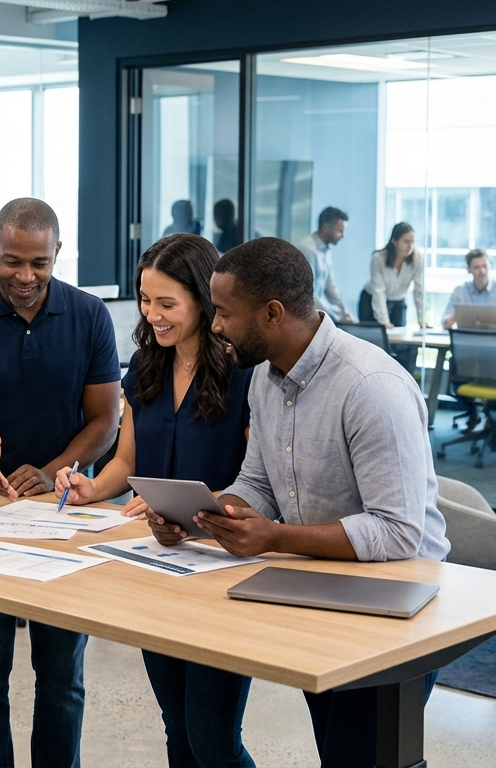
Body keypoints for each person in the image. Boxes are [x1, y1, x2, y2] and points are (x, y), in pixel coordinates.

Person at [169, 236, 449, 767]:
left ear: (272, 313)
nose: (216, 327)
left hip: (395, 605)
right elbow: (261, 484)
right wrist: (203, 516)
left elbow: (397, 532)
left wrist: (273, 537)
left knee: (360, 757)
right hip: (321, 589)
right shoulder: (264, 380)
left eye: (225, 313)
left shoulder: (371, 386)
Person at [0, 197, 120, 767]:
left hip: (64, 511)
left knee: (62, 680)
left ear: (58, 254)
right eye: (12, 261)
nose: (25, 276)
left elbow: (105, 419)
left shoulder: (89, 316)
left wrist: (56, 467)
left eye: (39, 262)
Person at [53, 233, 255, 767]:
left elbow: (263, 480)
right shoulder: (147, 363)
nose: (152, 314)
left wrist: (204, 516)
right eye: (146, 300)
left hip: (223, 566)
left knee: (213, 739)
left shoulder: (245, 375)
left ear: (204, 301)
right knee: (177, 731)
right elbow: (126, 463)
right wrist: (91, 487)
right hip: (160, 562)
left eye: (167, 303)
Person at [294, 207, 353, 322]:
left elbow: (330, 287)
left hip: (320, 313)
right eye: (340, 231)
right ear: (326, 227)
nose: (343, 235)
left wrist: (344, 312)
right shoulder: (308, 249)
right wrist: (336, 316)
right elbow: (309, 293)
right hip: (307, 316)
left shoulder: (325, 250)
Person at [360, 222, 424, 329]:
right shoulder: (378, 258)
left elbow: (419, 289)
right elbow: (378, 292)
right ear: (394, 241)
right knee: (376, 337)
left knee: (400, 339)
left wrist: (422, 321)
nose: (410, 246)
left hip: (398, 300)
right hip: (371, 299)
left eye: (412, 242)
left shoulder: (416, 258)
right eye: (406, 242)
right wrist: (384, 322)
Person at [441, 248, 496, 330]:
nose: (482, 271)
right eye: (476, 267)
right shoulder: (460, 291)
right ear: (469, 270)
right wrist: (453, 318)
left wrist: (490, 325)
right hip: (467, 340)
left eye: (484, 266)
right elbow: (445, 321)